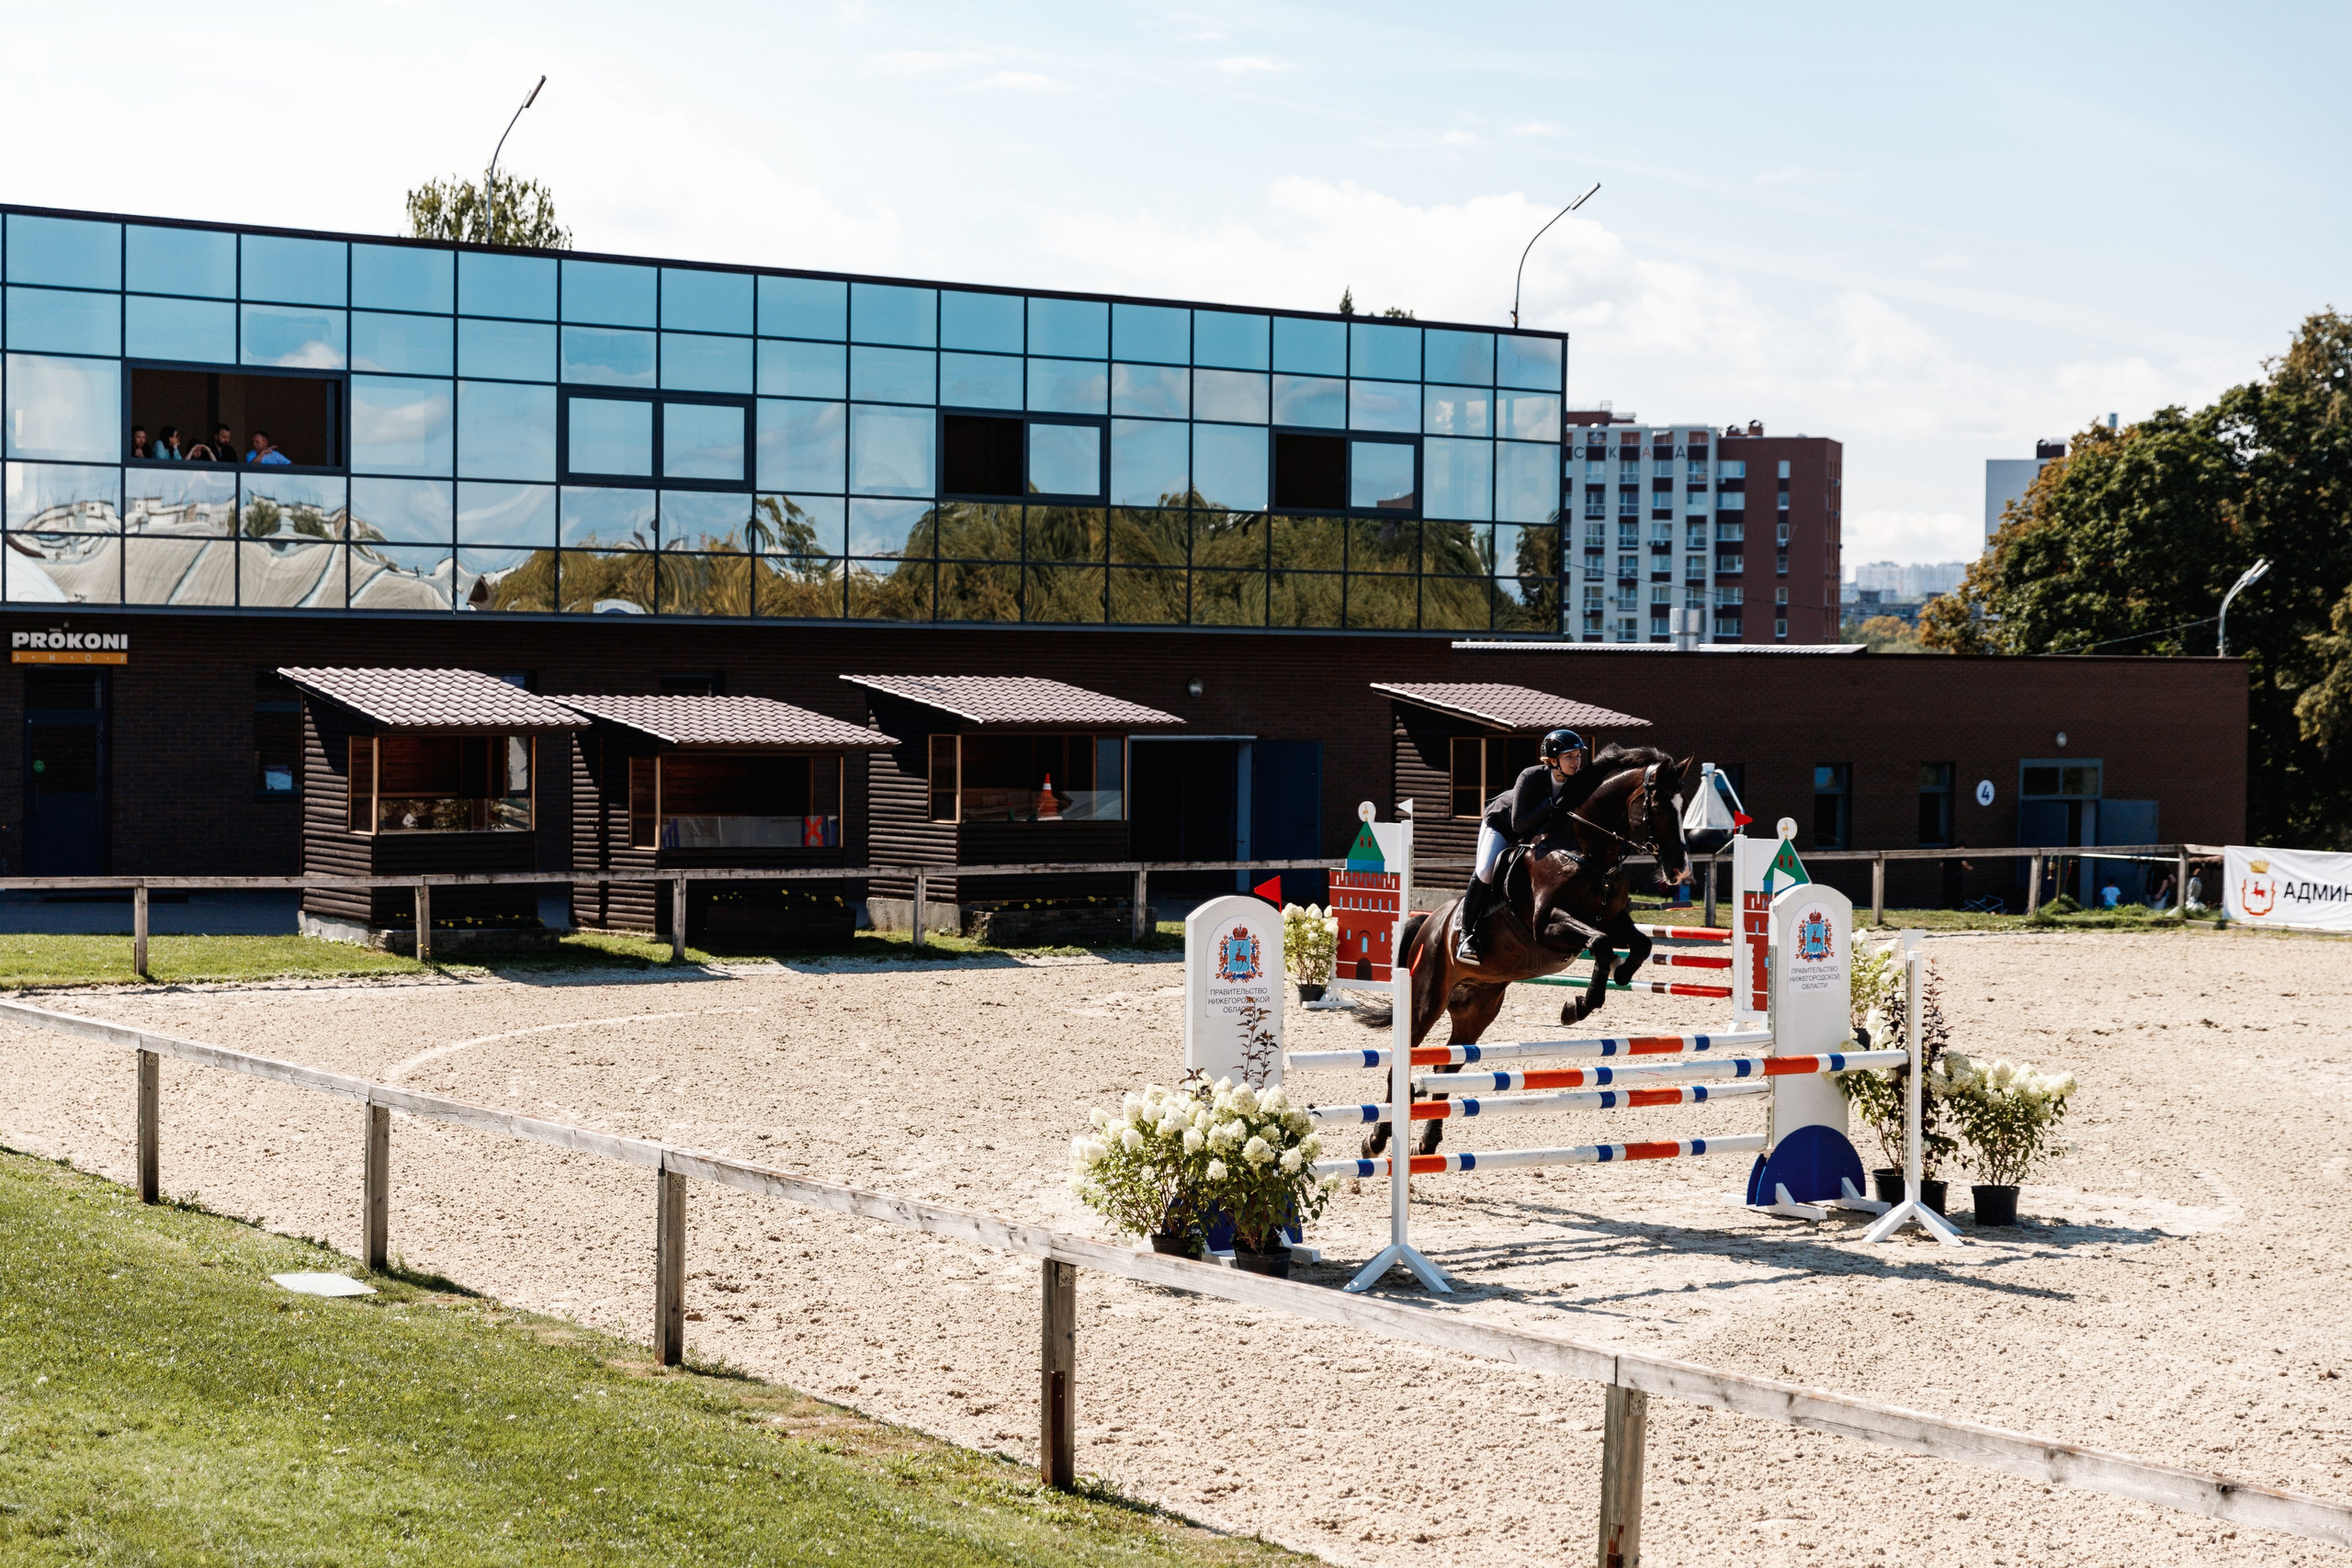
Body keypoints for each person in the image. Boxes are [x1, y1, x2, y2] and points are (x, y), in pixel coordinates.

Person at [1455, 728, 1597, 964]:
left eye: (1578, 755)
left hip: (1536, 832)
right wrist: (1549, 805)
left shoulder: (1576, 782)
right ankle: (1465, 935)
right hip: (1503, 823)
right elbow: (1518, 824)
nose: (1576, 761)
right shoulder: (1531, 777)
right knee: (1486, 870)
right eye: (1569, 756)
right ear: (1553, 760)